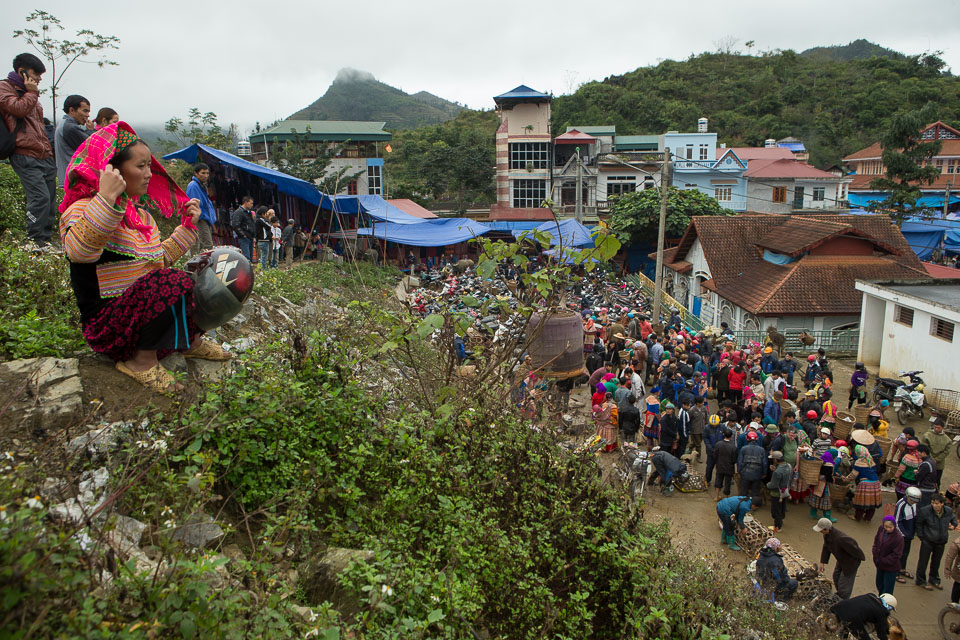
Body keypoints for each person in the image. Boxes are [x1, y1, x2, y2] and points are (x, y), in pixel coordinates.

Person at [58, 122, 232, 391]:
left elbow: (157, 264)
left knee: (213, 275)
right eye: (141, 166)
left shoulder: (142, 217)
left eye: (150, 166)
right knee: (172, 281)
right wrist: (105, 199)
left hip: (140, 320)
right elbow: (79, 251)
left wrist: (188, 227)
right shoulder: (81, 208)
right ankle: (140, 361)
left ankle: (189, 342)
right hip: (110, 327)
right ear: (111, 169)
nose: (149, 174)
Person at [0, 53, 57, 247]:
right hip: (24, 153)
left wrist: (49, 151)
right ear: (21, 71)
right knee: (39, 198)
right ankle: (34, 241)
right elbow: (17, 109)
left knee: (49, 200)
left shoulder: (29, 92)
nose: (40, 78)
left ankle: (45, 240)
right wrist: (32, 93)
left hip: (44, 154)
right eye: (36, 73)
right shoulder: (4, 87)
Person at [915, 493, 958, 590]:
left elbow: (954, 520)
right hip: (928, 541)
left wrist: (953, 526)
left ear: (942, 504)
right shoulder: (925, 511)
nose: (934, 505)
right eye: (932, 503)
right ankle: (920, 580)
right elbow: (919, 524)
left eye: (937, 503)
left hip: (941, 541)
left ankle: (934, 579)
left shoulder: (948, 511)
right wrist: (922, 537)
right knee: (923, 561)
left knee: (936, 561)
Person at [815, 517, 865, 599]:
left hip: (850, 563)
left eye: (821, 530)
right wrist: (822, 562)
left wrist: (852, 562)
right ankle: (840, 596)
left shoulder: (841, 538)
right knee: (836, 576)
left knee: (844, 585)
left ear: (827, 529)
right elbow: (826, 547)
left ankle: (843, 600)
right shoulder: (827, 535)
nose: (820, 532)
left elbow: (855, 548)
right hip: (841, 561)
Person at [55, 94, 94, 185]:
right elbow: (90, 146)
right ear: (72, 110)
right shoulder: (70, 128)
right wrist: (91, 131)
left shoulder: (64, 124)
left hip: (69, 175)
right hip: (74, 177)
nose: (87, 115)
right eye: (85, 111)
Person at [821, 593, 896, 640]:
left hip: (837, 609)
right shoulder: (881, 611)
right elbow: (881, 633)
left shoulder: (870, 596)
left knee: (844, 631)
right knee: (864, 637)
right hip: (851, 619)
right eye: (890, 609)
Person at [845, 444, 882, 522]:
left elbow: (853, 475)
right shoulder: (871, 460)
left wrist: (845, 479)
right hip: (876, 483)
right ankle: (868, 518)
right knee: (872, 503)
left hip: (865, 484)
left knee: (861, 502)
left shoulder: (859, 462)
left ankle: (857, 517)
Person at [185, 163, 217, 252]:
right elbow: (193, 206)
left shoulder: (201, 185)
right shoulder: (193, 186)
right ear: (196, 173)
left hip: (205, 219)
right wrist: (200, 216)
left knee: (205, 245)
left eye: (207, 173)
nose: (206, 176)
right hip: (200, 219)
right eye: (203, 173)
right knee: (207, 245)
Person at [894, 487, 921, 583]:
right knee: (898, 554)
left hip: (909, 535)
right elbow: (897, 521)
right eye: (911, 500)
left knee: (905, 553)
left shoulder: (914, 505)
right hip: (901, 536)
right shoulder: (901, 505)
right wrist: (903, 534)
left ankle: (902, 569)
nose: (913, 502)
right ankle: (895, 573)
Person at [872, 516, 904, 596]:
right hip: (880, 564)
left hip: (890, 567)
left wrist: (883, 560)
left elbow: (896, 554)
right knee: (879, 583)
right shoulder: (881, 529)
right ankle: (880, 598)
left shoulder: (898, 538)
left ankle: (885, 603)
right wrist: (875, 553)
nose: (888, 529)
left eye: (890, 527)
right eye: (886, 526)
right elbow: (876, 541)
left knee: (887, 588)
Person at [922, 418, 952, 489]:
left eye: (938, 428)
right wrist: (930, 459)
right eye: (935, 427)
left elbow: (946, 452)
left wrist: (936, 460)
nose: (936, 429)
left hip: (939, 465)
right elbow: (925, 448)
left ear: (943, 428)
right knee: (924, 478)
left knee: (936, 481)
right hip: (927, 462)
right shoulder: (927, 435)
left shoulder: (947, 440)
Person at [809, 451, 837, 522]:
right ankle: (827, 517)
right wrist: (832, 480)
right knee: (826, 500)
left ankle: (813, 514)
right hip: (824, 485)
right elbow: (828, 476)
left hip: (816, 482)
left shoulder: (821, 461)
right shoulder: (829, 465)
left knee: (815, 498)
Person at [738, 431, 767, 501]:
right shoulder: (761, 450)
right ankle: (754, 504)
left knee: (744, 491)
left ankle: (742, 504)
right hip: (757, 474)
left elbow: (739, 462)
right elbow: (764, 463)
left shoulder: (743, 449)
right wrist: (764, 473)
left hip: (745, 474)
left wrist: (739, 471)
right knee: (755, 492)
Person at [767, 450, 791, 532]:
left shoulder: (777, 472)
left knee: (775, 511)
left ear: (776, 460)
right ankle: (781, 520)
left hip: (777, 493)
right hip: (785, 491)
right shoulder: (788, 466)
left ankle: (778, 526)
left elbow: (773, 485)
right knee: (782, 507)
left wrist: (767, 485)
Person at [714, 427, 738, 500]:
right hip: (729, 467)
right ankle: (726, 497)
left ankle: (717, 496)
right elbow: (734, 459)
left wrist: (716, 463)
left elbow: (715, 455)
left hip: (720, 465)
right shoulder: (733, 447)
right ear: (731, 436)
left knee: (718, 480)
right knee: (727, 482)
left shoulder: (718, 444)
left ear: (723, 435)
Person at [231, 196, 255, 261]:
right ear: (245, 202)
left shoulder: (249, 212)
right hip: (244, 238)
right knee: (246, 257)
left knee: (250, 256)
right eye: (251, 203)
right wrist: (243, 235)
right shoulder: (239, 212)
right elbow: (235, 225)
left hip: (250, 236)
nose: (252, 205)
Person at [944, 529, 960, 603]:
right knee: (958, 586)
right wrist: (947, 570)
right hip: (959, 572)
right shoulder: (957, 543)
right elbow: (950, 557)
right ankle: (954, 603)